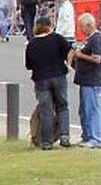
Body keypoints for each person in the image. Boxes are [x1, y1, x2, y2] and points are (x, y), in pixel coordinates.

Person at [24, 16, 72, 149]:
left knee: (46, 110)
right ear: (49, 26)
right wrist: (68, 64)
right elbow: (70, 49)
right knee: (62, 106)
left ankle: (47, 142)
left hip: (41, 78)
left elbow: (29, 65)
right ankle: (64, 135)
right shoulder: (56, 38)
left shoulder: (32, 44)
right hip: (58, 75)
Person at [71, 12, 101, 149]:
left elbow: (97, 59)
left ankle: (94, 138)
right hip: (84, 79)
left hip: (92, 79)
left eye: (82, 27)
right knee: (84, 109)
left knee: (91, 109)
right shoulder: (88, 40)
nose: (80, 30)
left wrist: (80, 55)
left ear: (89, 25)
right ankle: (86, 135)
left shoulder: (96, 39)